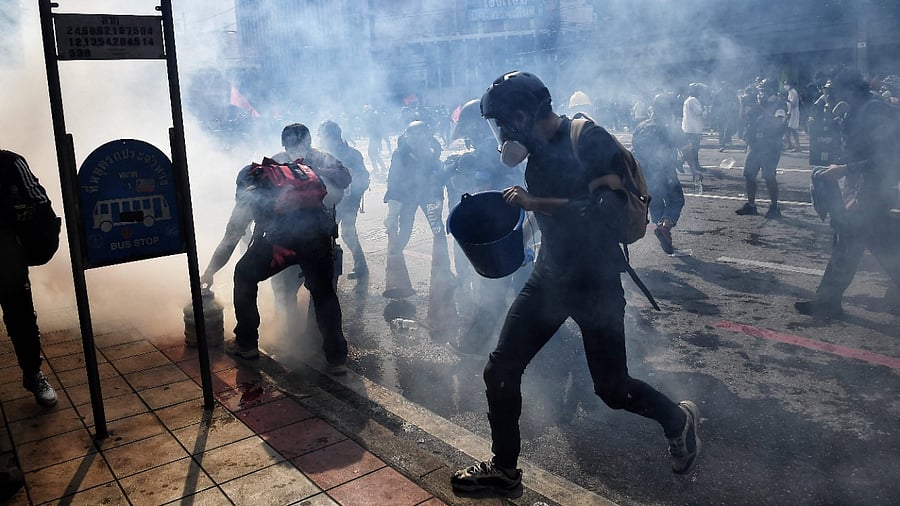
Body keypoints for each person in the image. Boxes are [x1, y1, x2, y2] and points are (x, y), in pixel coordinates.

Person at [450, 71, 701, 499]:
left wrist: (535, 202)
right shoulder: (537, 151)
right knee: (501, 369)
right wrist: (512, 229)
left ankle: (678, 421)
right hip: (550, 276)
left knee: (612, 388)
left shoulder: (589, 139)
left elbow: (602, 209)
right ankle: (504, 469)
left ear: (523, 117)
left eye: (502, 124)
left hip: (595, 283)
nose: (501, 135)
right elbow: (549, 217)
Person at [201, 123, 351, 374]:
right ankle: (336, 359)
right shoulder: (294, 172)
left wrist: (209, 272)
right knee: (324, 293)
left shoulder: (251, 194)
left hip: (284, 242)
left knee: (244, 274)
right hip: (318, 237)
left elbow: (230, 240)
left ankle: (246, 344)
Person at [795, 69, 900, 318]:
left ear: (851, 89)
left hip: (874, 191)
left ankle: (827, 303)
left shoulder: (875, 110)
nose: (831, 94)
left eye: (836, 90)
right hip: (862, 190)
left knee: (866, 246)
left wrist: (846, 169)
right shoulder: (857, 109)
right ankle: (827, 302)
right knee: (858, 245)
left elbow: (888, 158)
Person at [444, 98, 527, 356]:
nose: (467, 135)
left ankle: (473, 347)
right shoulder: (507, 144)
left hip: (499, 227)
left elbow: (481, 191)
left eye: (468, 129)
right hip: (519, 221)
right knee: (524, 287)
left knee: (493, 292)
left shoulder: (486, 150)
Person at [0, 149, 58, 407]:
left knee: (21, 319)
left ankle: (33, 374)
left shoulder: (10, 162)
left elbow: (40, 203)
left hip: (6, 256)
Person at [632, 92, 686, 254]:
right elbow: (686, 148)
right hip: (665, 171)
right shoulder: (670, 127)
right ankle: (665, 226)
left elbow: (634, 151)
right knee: (676, 199)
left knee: (654, 202)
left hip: (645, 173)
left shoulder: (641, 126)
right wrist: (694, 168)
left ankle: (662, 230)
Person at [318, 120, 370, 280]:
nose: (320, 140)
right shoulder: (322, 156)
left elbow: (364, 178)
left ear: (332, 138)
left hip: (348, 202)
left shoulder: (352, 155)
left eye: (322, 136)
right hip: (329, 202)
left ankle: (360, 267)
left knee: (347, 232)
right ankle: (328, 270)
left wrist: (353, 193)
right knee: (326, 235)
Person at [735, 78, 788, 219]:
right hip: (755, 144)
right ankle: (751, 205)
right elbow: (743, 118)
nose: (761, 93)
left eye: (764, 90)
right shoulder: (759, 104)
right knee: (749, 174)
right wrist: (742, 105)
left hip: (771, 145)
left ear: (772, 90)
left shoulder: (779, 104)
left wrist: (762, 110)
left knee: (769, 177)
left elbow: (778, 122)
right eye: (760, 90)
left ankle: (774, 207)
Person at [681, 83, 705, 185]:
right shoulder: (693, 100)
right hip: (693, 129)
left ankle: (694, 164)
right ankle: (692, 165)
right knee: (693, 148)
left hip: (689, 128)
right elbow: (699, 112)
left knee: (692, 148)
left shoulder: (689, 100)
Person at [784, 80, 802, 151]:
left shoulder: (794, 92)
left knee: (793, 129)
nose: (785, 86)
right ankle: (789, 145)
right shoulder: (789, 92)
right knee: (787, 128)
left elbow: (793, 104)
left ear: (790, 85)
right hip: (789, 111)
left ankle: (798, 146)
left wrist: (786, 100)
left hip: (794, 112)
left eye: (786, 84)